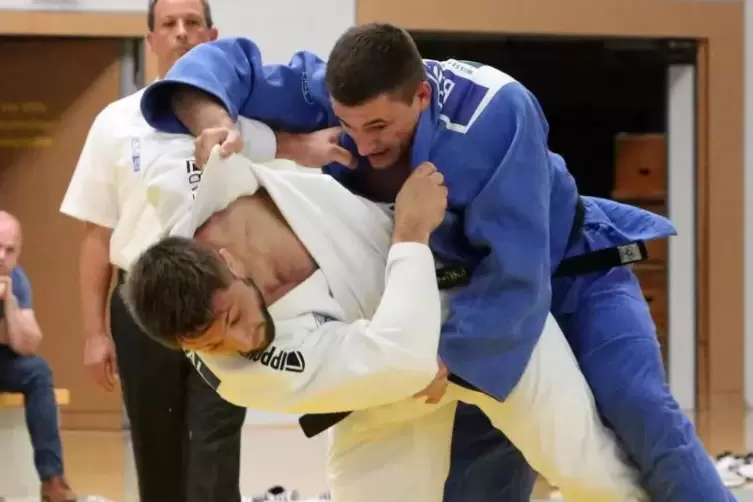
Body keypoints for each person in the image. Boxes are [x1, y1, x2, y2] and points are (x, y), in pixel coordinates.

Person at [137, 23, 732, 502]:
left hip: (559, 276)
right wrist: (238, 125)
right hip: (437, 318)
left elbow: (518, 274)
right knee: (477, 486)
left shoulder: (497, 112)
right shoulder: (239, 366)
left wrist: (453, 351)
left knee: (638, 416)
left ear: (421, 94)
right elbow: (227, 69)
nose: (362, 144)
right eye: (348, 125)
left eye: (379, 127)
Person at [124, 147, 645, 501]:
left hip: (481, 313)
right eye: (212, 346)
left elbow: (213, 87)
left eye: (232, 318)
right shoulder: (242, 375)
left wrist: (278, 135)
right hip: (387, 390)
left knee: (584, 466)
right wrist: (411, 232)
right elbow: (401, 360)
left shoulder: (198, 188)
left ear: (225, 261)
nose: (240, 342)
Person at [57, 2, 274, 501]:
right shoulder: (114, 123)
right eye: (169, 25)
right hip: (142, 306)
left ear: (213, 35)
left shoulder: (240, 120)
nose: (181, 34)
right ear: (151, 39)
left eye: (193, 23)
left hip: (226, 299)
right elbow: (97, 235)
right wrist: (94, 334)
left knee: (216, 447)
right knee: (156, 452)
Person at [0, 211, 77, 502]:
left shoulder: (16, 279)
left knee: (37, 370)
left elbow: (27, 343)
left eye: (10, 250)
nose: (2, 256)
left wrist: (10, 304)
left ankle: (52, 480)